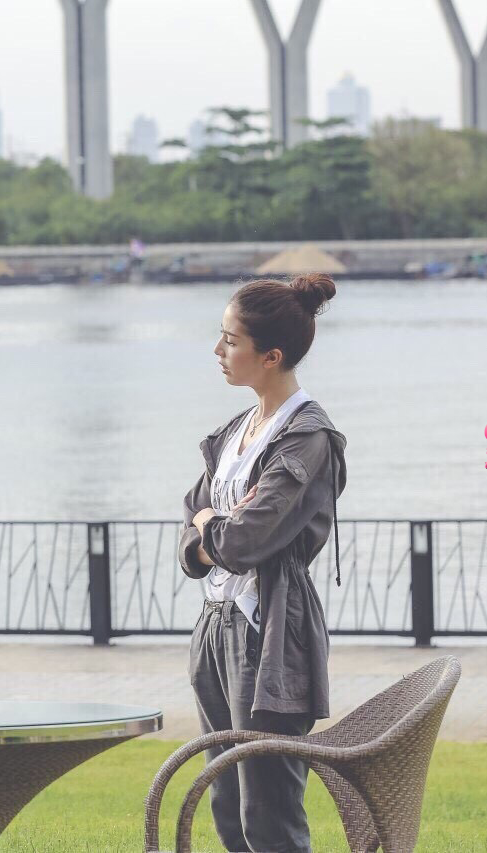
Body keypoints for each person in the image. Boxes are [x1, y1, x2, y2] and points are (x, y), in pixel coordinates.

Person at [178, 273, 348, 853]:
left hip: (268, 631)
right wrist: (212, 526)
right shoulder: (235, 434)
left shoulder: (307, 438)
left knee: (267, 815)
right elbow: (192, 524)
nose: (218, 350)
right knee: (226, 807)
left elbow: (244, 542)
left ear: (271, 356)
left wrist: (212, 526)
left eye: (231, 341)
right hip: (213, 625)